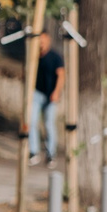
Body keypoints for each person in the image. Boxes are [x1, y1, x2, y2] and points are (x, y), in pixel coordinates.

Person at [28, 33, 65, 163]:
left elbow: (61, 75)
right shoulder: (33, 56)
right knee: (32, 122)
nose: (41, 44)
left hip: (51, 95)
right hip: (36, 93)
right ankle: (33, 151)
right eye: (39, 41)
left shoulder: (55, 57)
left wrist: (56, 92)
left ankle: (51, 153)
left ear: (48, 40)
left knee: (49, 124)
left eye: (43, 41)